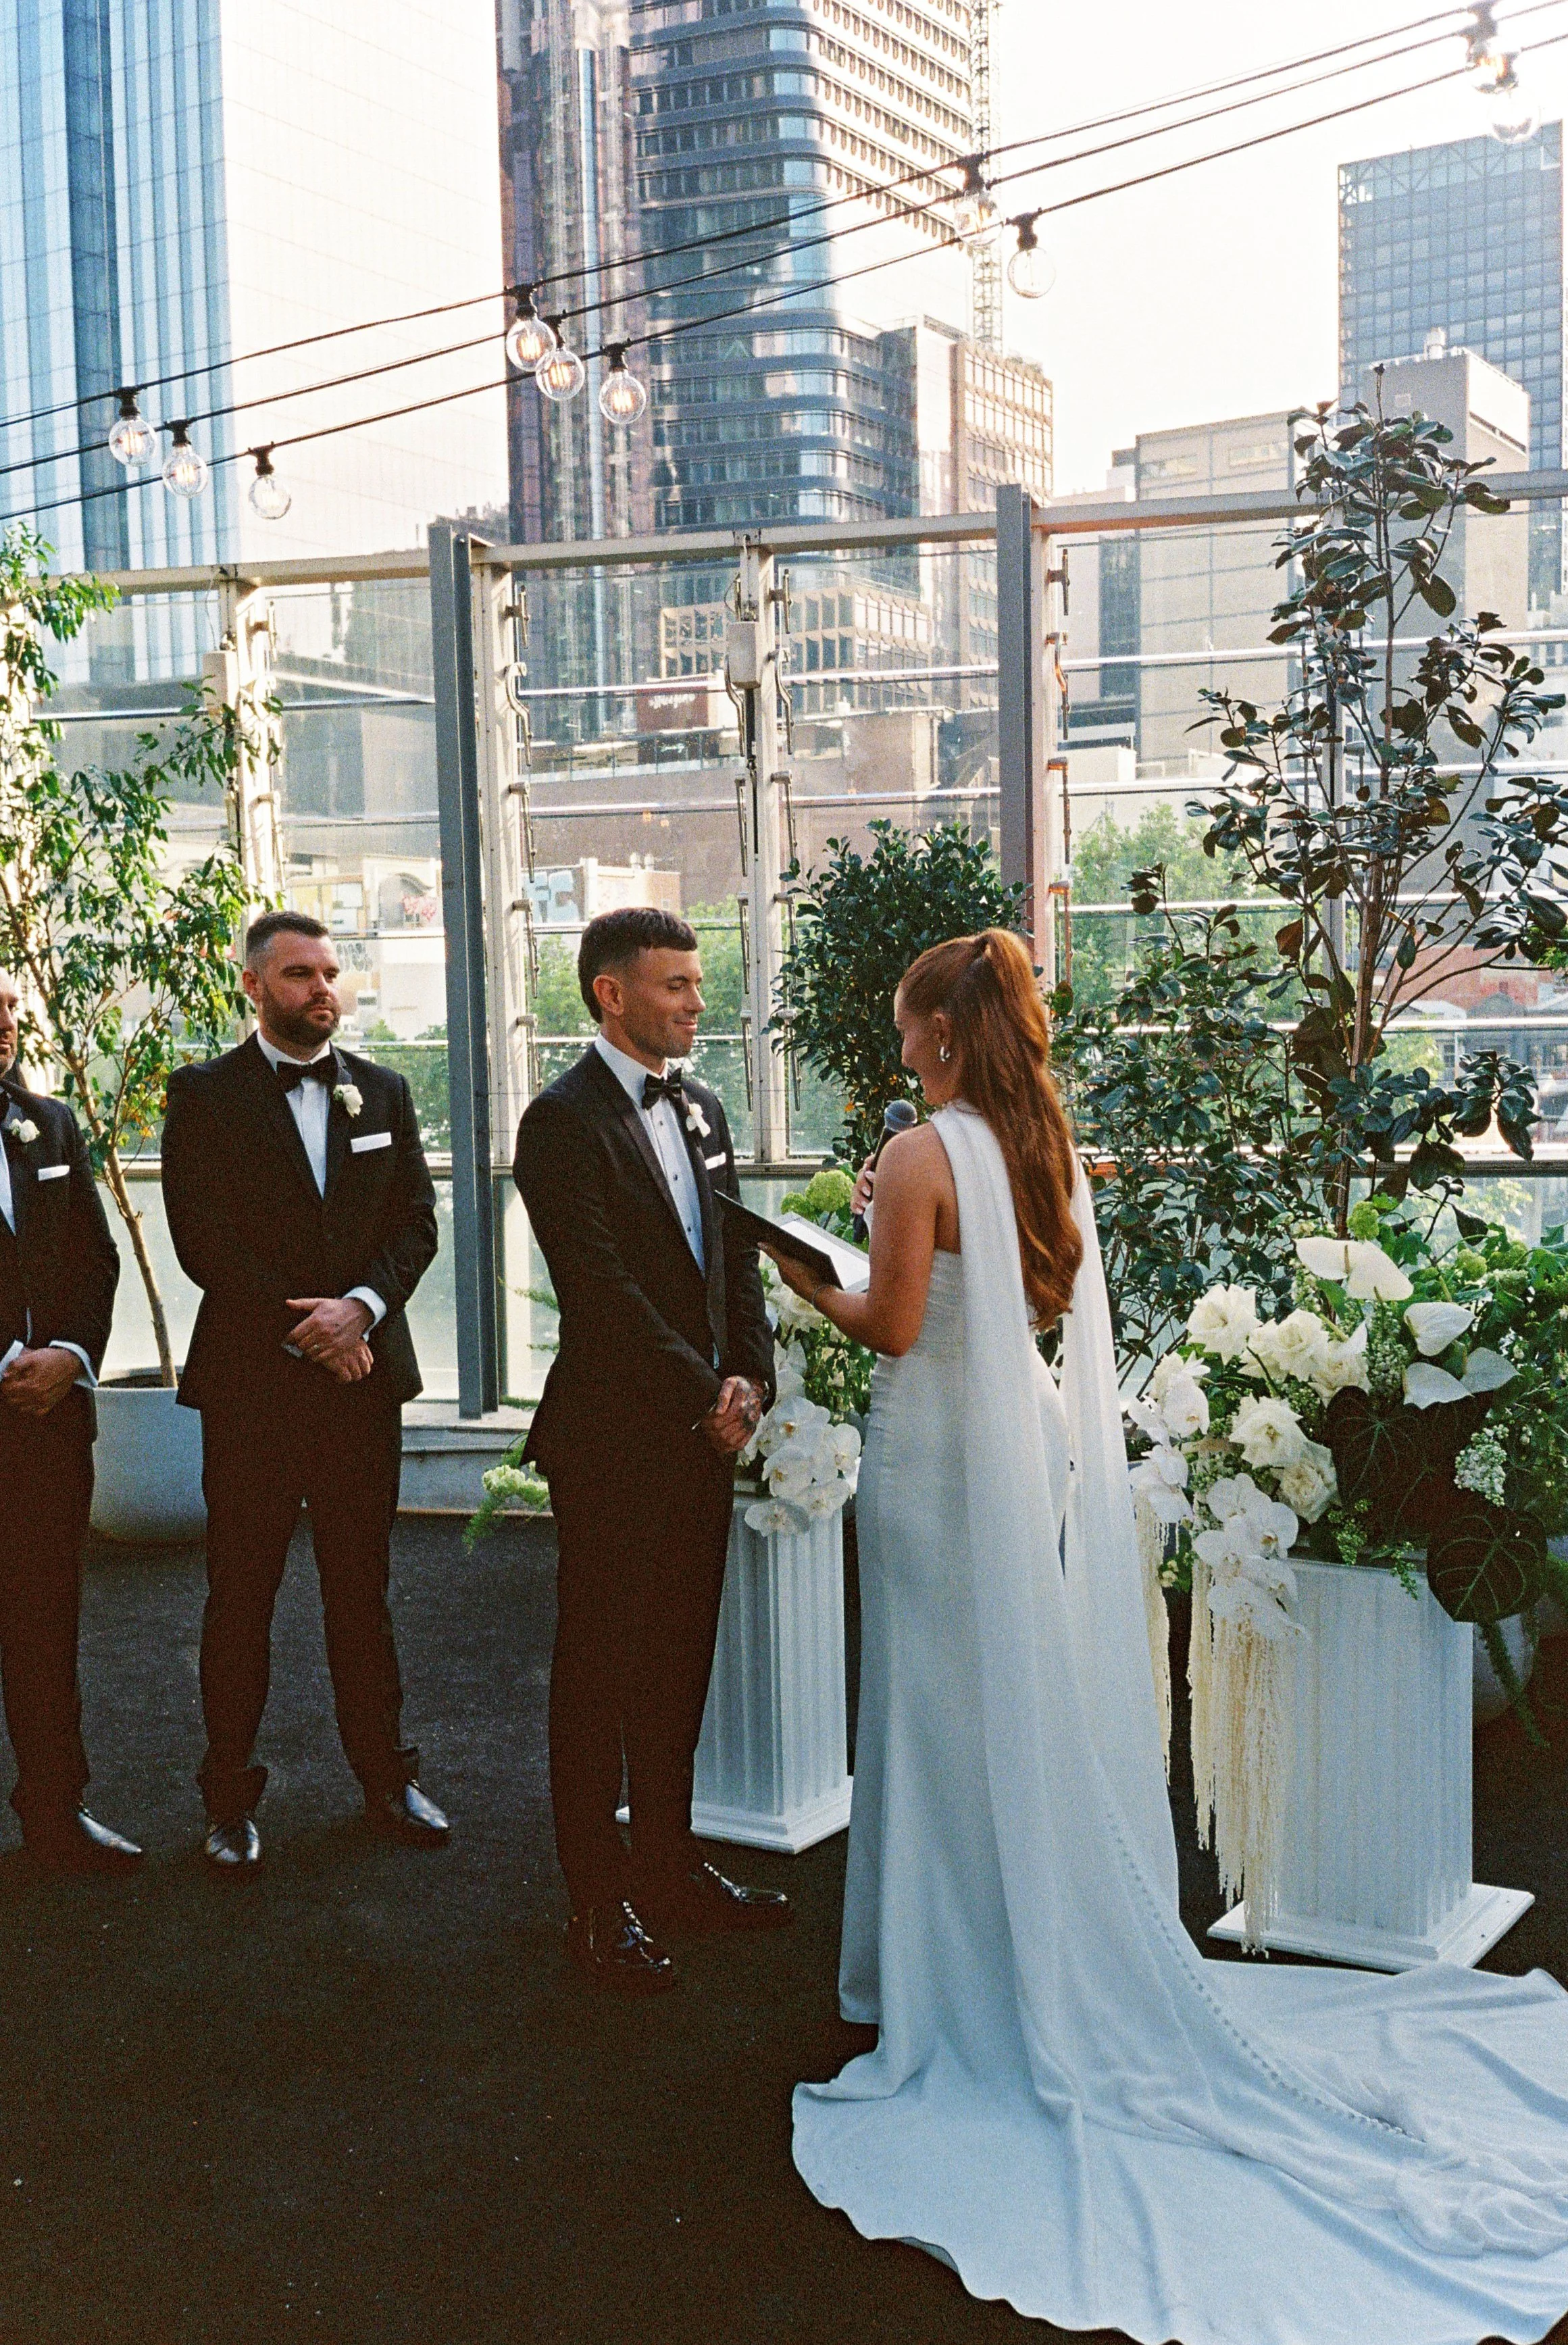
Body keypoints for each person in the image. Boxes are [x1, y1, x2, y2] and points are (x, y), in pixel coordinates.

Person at [772, 929, 1568, 2345]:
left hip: (932, 1466)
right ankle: (1001, 1953)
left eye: (906, 1030)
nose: (898, 1052)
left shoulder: (915, 1155)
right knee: (991, 1712)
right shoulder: (1045, 1153)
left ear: (943, 1035)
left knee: (932, 1718)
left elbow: (892, 1323)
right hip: (1011, 1464)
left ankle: (947, 1978)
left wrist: (803, 1286)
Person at [513, 907, 788, 1994]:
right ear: (610, 994)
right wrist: (701, 1390)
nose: (694, 1000)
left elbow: (737, 1263)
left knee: (680, 1661)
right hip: (615, 1438)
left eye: (696, 981)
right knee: (598, 1672)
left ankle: (669, 1867)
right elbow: (600, 1290)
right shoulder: (559, 1121)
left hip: (703, 1438)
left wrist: (751, 1380)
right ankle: (598, 1900)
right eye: (674, 984)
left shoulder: (706, 1105)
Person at [161, 911, 448, 1873]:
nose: (322, 989)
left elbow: (416, 1222)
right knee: (240, 1594)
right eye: (298, 974)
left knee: (361, 1592)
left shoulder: (385, 1089)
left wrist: (359, 1309)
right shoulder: (202, 1096)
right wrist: (311, 1329)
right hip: (254, 1386)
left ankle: (384, 1778)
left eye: (331, 972)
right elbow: (205, 1240)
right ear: (252, 986)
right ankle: (229, 1799)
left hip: (363, 1383)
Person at [0, 972, 141, 1873]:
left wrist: (71, 1357)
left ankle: (57, 1813)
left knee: (45, 1628)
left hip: (48, 1424)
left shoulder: (47, 1124)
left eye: (5, 1009)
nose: (2, 1027)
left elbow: (96, 1259)